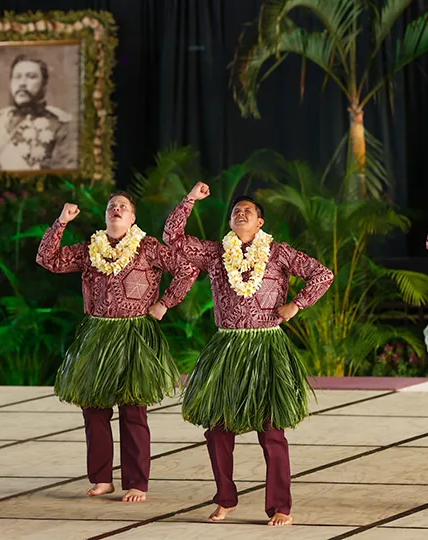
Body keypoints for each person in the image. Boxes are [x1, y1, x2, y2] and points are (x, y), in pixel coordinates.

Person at [164, 183, 334, 527]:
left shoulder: (278, 252)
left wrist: (297, 305)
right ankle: (225, 499)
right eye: (235, 212)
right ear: (230, 222)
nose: (240, 214)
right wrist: (190, 200)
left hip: (267, 347)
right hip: (227, 347)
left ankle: (280, 506)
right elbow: (173, 237)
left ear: (260, 223)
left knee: (272, 430)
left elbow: (322, 274)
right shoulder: (214, 253)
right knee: (217, 429)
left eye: (248, 212)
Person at [36, 191, 198, 503]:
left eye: (123, 206)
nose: (117, 209)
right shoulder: (88, 250)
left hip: (134, 333)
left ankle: (137, 482)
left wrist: (165, 303)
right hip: (97, 332)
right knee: (93, 408)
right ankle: (101, 478)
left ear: (133, 218)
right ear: (106, 216)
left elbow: (188, 269)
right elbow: (48, 259)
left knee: (133, 408)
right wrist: (60, 222)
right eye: (112, 206)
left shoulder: (148, 247)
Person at [0, 55, 77, 171]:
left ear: (44, 84)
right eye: (17, 77)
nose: (22, 83)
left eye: (31, 77)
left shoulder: (61, 125)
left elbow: (63, 177)